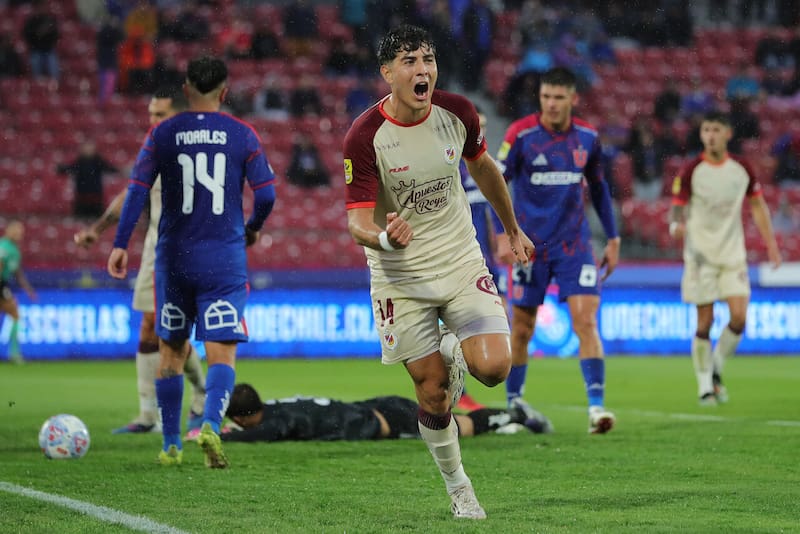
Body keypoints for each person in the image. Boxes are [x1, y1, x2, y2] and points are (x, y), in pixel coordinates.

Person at [343, 25, 535, 520]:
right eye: (409, 61)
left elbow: (484, 168)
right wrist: (386, 239)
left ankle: (454, 347)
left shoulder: (458, 113)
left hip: (458, 259)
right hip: (399, 275)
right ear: (387, 74)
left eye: (427, 59)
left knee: (494, 368)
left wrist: (512, 228)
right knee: (432, 392)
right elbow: (357, 223)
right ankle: (460, 489)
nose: (422, 69)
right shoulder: (364, 136)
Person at [108, 56, 277, 468]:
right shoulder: (242, 133)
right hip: (222, 259)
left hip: (173, 259)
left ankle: (170, 444)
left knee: (171, 351)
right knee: (221, 352)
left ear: (185, 91)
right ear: (224, 92)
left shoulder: (163, 132)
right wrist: (253, 227)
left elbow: (136, 190)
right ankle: (211, 427)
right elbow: (267, 195)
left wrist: (120, 244)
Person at [494, 67, 620, 435]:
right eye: (546, 96)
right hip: (529, 246)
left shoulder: (588, 138)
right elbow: (495, 182)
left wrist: (613, 238)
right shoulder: (521, 135)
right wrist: (504, 233)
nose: (551, 103)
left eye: (558, 97)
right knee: (522, 328)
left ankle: (596, 408)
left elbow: (599, 189)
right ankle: (515, 405)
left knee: (586, 321)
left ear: (573, 99)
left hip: (574, 246)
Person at [75, 86, 207, 435]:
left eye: (159, 114)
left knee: (166, 328)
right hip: (155, 247)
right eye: (150, 113)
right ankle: (148, 415)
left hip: (188, 250)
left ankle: (201, 391)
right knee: (150, 327)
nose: (152, 120)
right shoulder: (155, 147)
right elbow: (132, 192)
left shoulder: (202, 149)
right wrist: (98, 230)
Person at [669, 111, 782, 406]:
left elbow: (757, 205)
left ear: (728, 134)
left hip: (732, 254)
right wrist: (675, 225)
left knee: (739, 318)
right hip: (700, 256)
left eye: (716, 129)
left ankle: (716, 367)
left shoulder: (741, 168)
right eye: (706, 129)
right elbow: (677, 206)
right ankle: (705, 386)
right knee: (704, 323)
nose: (710, 135)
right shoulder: (691, 170)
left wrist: (771, 244)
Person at [208, 383, 551, 443]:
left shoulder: (279, 419)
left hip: (386, 418)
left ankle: (515, 415)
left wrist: (226, 438)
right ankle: (513, 416)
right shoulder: (278, 406)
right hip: (377, 407)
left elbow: (269, 433)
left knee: (460, 428)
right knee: (455, 422)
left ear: (241, 419)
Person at [0, 221, 36, 364]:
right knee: (15, 314)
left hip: (3, 285)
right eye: (17, 231)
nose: (19, 234)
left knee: (15, 315)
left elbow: (17, 273)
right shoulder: (3, 246)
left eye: (21, 232)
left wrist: (28, 289)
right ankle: (14, 353)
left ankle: (14, 352)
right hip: (1, 285)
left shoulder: (15, 251)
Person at [56, 140, 118, 218]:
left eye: (90, 148)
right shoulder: (79, 161)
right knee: (80, 219)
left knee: (96, 220)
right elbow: (69, 169)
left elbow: (110, 168)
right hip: (82, 197)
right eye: (86, 148)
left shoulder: (98, 161)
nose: (88, 150)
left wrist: (120, 170)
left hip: (96, 197)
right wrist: (61, 168)